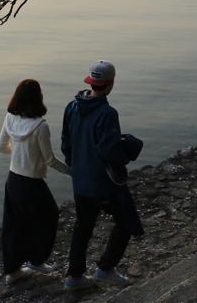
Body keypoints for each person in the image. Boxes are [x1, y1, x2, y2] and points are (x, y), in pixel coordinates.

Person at [61, 60, 135, 290]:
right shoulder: (107, 112)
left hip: (80, 180)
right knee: (125, 223)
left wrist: (77, 166)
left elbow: (66, 144)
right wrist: (128, 153)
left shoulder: (71, 107)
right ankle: (105, 269)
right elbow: (108, 150)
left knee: (83, 226)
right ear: (110, 83)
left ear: (90, 81)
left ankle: (74, 277)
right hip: (102, 182)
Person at [0, 79, 70, 285]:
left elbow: (1, 147)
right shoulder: (41, 125)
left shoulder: (10, 117)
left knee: (14, 224)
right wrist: (72, 172)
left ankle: (13, 271)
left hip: (13, 180)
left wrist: (19, 153)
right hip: (31, 183)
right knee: (49, 217)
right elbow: (49, 160)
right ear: (38, 97)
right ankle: (36, 260)